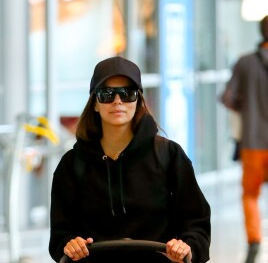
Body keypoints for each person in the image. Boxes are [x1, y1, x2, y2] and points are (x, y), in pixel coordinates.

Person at [49, 56, 211, 263]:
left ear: (139, 101)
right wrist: (70, 243)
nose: (118, 101)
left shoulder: (168, 155)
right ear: (95, 104)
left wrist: (187, 248)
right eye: (106, 94)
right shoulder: (72, 165)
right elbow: (60, 233)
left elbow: (196, 222)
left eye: (128, 94)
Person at [220, 15, 268, 263]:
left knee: (250, 195)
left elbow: (227, 97)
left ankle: (254, 241)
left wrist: (246, 106)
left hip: (253, 141)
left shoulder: (245, 63)